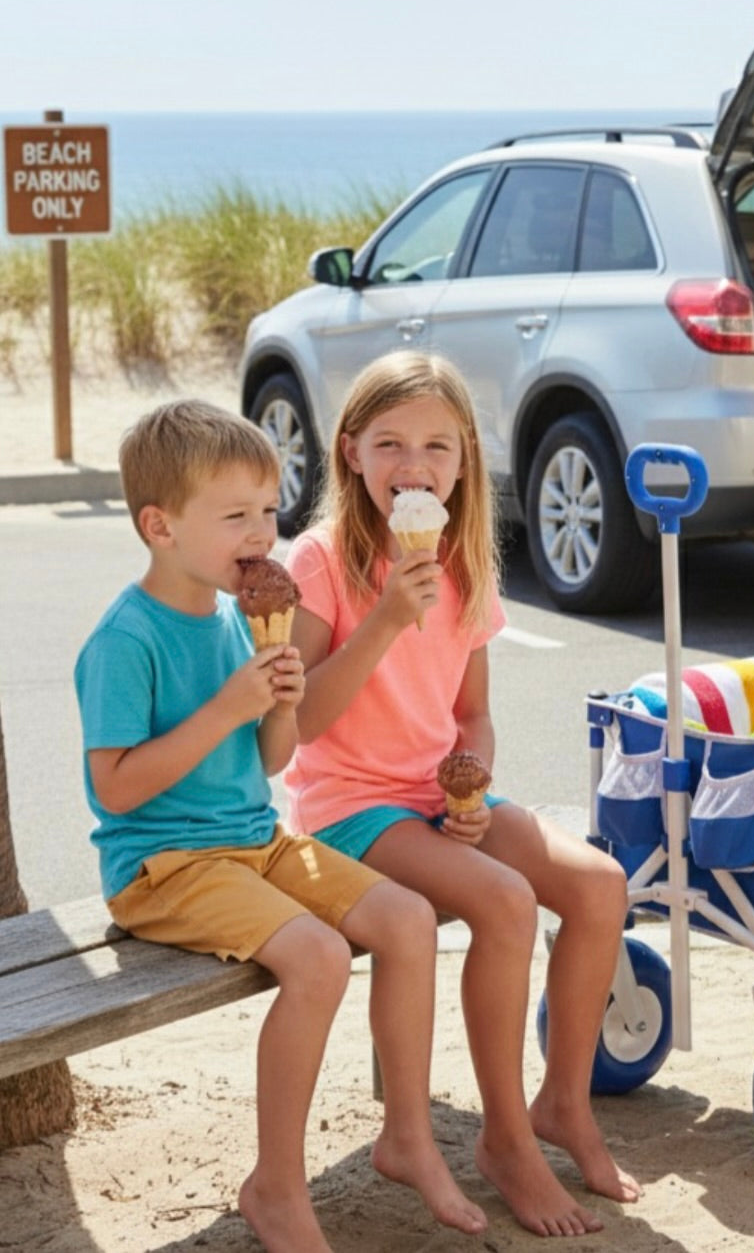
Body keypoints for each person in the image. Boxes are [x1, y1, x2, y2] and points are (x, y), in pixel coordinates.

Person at [74, 400, 487, 1253]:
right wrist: (231, 701)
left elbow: (266, 761)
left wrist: (280, 705)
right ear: (160, 526)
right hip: (165, 864)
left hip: (255, 841)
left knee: (407, 921)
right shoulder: (126, 639)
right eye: (236, 517)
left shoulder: (240, 616)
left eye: (269, 510)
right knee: (319, 955)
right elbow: (114, 790)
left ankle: (406, 1135)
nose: (264, 533)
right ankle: (275, 1183)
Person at [283, 350, 637, 1238]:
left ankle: (564, 1105)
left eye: (437, 446)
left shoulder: (463, 559)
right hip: (349, 809)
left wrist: (468, 783)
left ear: (465, 461)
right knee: (507, 902)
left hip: (431, 797)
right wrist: (387, 619)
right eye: (392, 443)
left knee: (598, 887)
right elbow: (303, 724)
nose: (414, 465)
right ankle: (507, 1142)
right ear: (351, 452)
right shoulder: (320, 562)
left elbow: (472, 715)